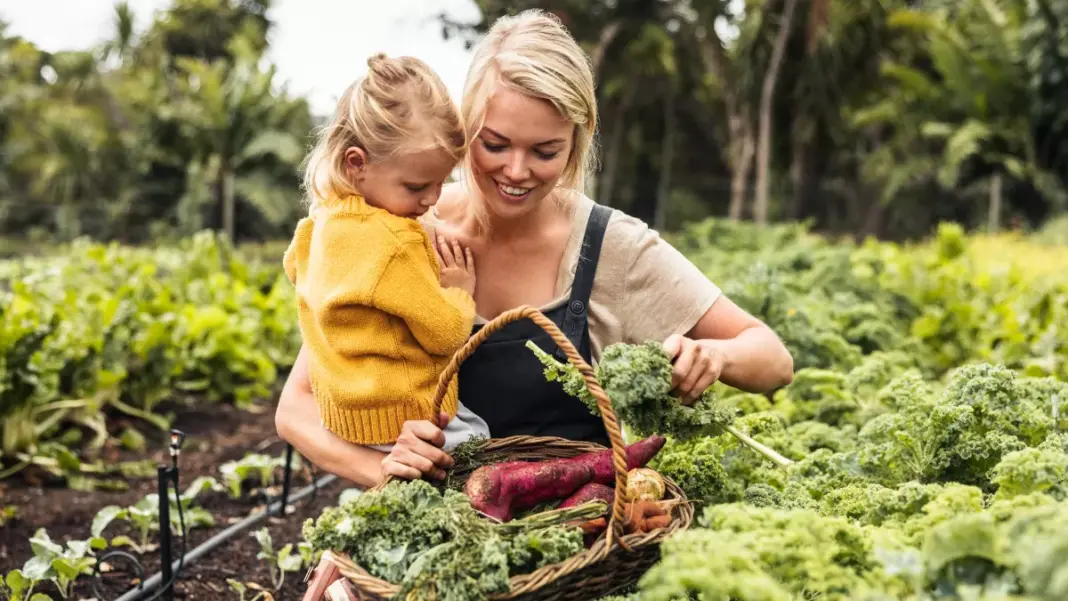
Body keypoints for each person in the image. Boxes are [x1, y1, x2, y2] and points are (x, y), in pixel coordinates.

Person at [275, 10, 795, 489]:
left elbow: (772, 359)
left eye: (545, 151)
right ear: (464, 129)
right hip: (441, 531)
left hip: (576, 537)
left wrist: (714, 355)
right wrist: (386, 470)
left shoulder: (611, 247)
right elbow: (296, 407)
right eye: (495, 144)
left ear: (579, 138)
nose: (517, 171)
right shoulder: (405, 231)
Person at [282, 53, 490, 454]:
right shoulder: (396, 243)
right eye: (416, 187)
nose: (432, 199)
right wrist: (460, 291)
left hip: (346, 418)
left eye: (441, 181)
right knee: (485, 452)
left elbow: (295, 268)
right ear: (357, 163)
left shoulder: (317, 224)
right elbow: (446, 333)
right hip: (411, 418)